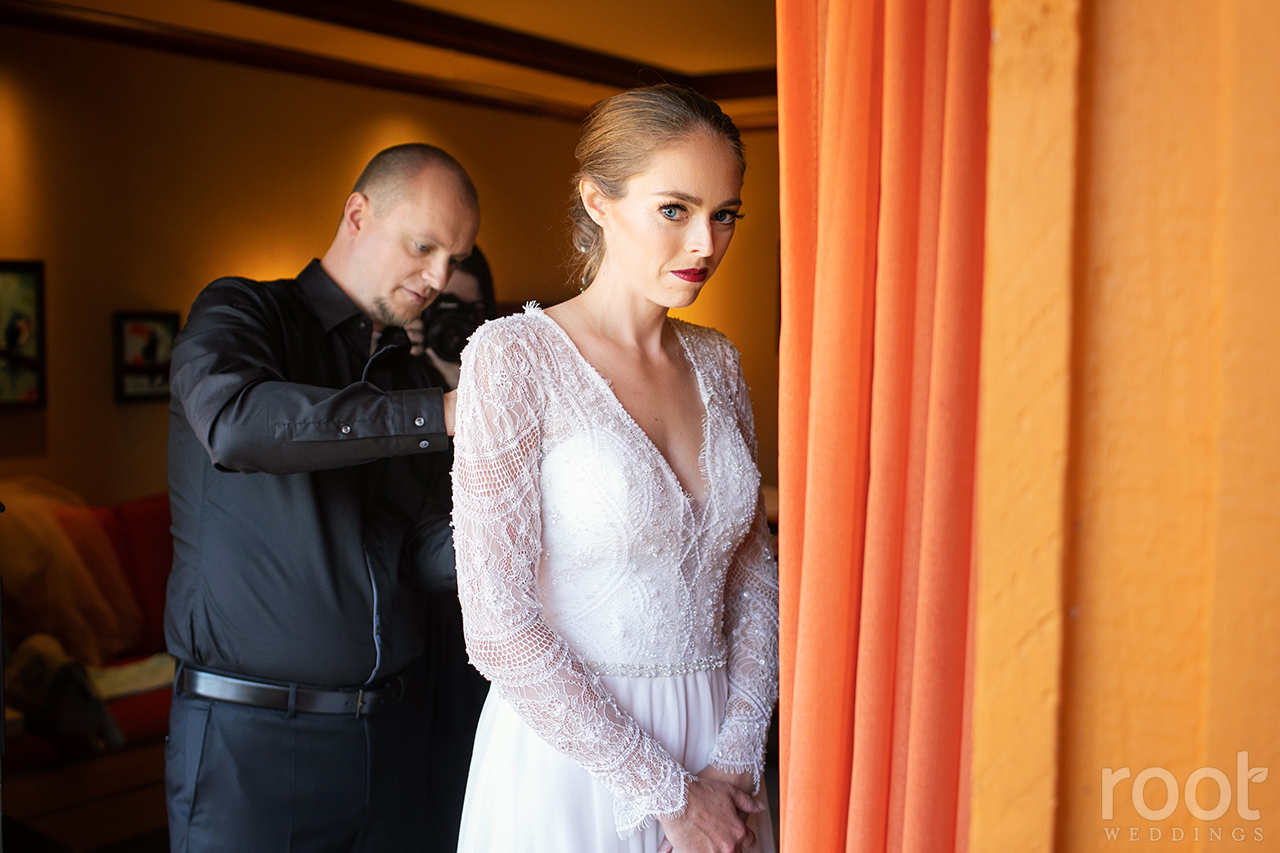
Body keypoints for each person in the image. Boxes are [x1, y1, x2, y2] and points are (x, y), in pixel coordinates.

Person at [451, 85, 779, 853]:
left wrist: (733, 763)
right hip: (574, 762)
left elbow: (753, 574)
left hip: (723, 758)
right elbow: (497, 624)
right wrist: (670, 794)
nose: (705, 242)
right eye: (676, 209)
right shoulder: (513, 359)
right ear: (597, 201)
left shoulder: (719, 363)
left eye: (724, 213)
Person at [164, 143, 480, 853]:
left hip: (392, 742)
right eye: (423, 245)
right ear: (357, 214)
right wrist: (445, 413)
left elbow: (429, 553)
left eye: (453, 258)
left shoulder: (407, 379)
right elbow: (236, 425)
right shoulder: (241, 309)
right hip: (249, 748)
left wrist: (552, 511)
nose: (438, 277)